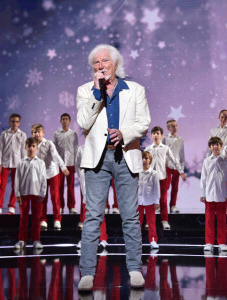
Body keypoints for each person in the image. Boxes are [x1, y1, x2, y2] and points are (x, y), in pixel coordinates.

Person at [76, 44, 151, 291]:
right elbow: (83, 122)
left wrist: (125, 133)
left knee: (130, 216)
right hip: (97, 161)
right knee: (93, 216)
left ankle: (134, 269)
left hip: (125, 156)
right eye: (96, 63)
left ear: (115, 63)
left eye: (104, 61)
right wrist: (97, 94)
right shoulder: (85, 91)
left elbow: (144, 123)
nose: (100, 66)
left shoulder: (135, 90)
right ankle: (87, 272)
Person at [145, 126, 186, 230]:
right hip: (150, 178)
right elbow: (142, 163)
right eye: (154, 133)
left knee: (163, 200)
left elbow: (174, 160)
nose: (156, 135)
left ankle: (164, 221)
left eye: (157, 133)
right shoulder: (148, 149)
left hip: (162, 177)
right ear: (151, 135)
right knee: (150, 200)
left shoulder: (165, 148)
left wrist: (181, 172)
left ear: (161, 135)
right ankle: (149, 221)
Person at [31, 124, 69, 230]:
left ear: (43, 133)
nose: (37, 134)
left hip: (52, 173)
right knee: (42, 197)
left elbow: (56, 156)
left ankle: (57, 219)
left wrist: (63, 167)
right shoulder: (31, 145)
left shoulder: (49, 143)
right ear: (32, 134)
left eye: (39, 132)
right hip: (40, 175)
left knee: (55, 197)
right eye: (35, 132)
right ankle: (43, 219)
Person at [200, 137, 227, 254]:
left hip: (222, 195)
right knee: (209, 220)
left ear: (221, 146)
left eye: (217, 145)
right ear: (210, 147)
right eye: (213, 145)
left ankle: (222, 243)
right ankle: (209, 242)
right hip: (209, 195)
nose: (215, 147)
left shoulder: (226, 161)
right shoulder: (206, 161)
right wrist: (202, 193)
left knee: (222, 220)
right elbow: (203, 178)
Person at [75, 130, 108, 249]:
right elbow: (77, 166)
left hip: (99, 184)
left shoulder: (100, 149)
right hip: (86, 184)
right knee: (87, 214)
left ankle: (103, 238)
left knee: (100, 212)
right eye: (86, 134)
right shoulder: (81, 149)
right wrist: (82, 181)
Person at [14, 137, 47, 250]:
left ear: (37, 148)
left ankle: (36, 240)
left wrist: (42, 193)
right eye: (29, 146)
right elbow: (17, 179)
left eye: (33, 146)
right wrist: (18, 194)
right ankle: (22, 240)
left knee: (36, 218)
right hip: (24, 194)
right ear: (25, 147)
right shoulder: (21, 163)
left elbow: (43, 179)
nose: (31, 148)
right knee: (24, 218)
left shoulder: (41, 163)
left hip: (37, 193)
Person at [0, 113, 27, 215]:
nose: (14, 123)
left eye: (17, 122)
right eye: (13, 121)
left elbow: (23, 151)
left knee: (16, 186)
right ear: (9, 122)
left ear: (19, 123)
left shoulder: (22, 135)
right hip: (5, 162)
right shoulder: (4, 134)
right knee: (1, 185)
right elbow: (0, 149)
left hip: (17, 163)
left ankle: (11, 206)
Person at [53, 113, 78, 214]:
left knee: (70, 186)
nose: (65, 121)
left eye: (67, 119)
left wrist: (76, 164)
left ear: (70, 121)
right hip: (60, 164)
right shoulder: (56, 134)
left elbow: (76, 148)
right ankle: (60, 206)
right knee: (59, 187)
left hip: (71, 163)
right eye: (63, 119)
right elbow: (53, 150)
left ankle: (71, 207)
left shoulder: (73, 134)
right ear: (60, 121)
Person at [162, 119, 185, 214]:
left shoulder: (180, 139)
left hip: (177, 167)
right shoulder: (165, 138)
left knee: (175, 188)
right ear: (168, 128)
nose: (175, 127)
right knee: (165, 187)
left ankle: (173, 205)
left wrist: (182, 169)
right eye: (172, 126)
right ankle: (161, 205)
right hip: (167, 166)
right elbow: (162, 151)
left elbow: (182, 154)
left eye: (176, 125)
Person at [138, 151, 160, 249]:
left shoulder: (154, 174)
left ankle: (153, 240)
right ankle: (136, 241)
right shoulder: (137, 172)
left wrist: (156, 201)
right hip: (138, 201)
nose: (144, 160)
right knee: (137, 222)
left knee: (151, 222)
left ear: (150, 160)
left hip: (149, 201)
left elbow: (156, 188)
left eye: (146, 158)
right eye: (143, 158)